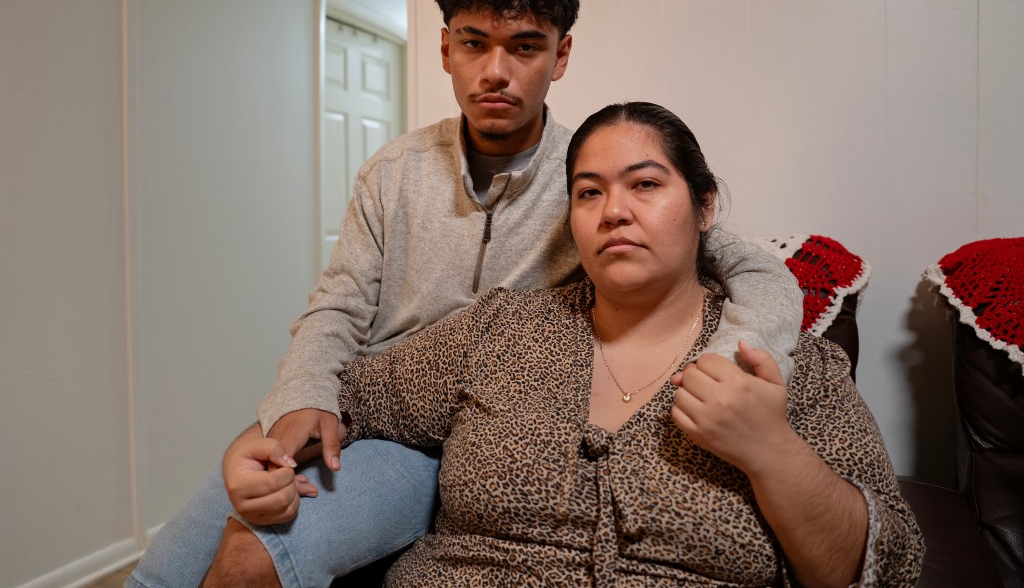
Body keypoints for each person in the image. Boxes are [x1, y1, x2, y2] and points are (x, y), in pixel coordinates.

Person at [128, 0, 803, 588]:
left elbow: (755, 266)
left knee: (256, 552)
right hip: (369, 404)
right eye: (474, 43)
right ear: (445, 46)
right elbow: (337, 304)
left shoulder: (589, 182)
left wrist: (731, 356)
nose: (496, 73)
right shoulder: (394, 172)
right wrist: (302, 397)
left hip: (454, 440)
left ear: (561, 55)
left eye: (526, 47)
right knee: (164, 570)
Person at [254, 101, 921, 586]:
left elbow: (883, 567)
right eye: (588, 192)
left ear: (705, 206)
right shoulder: (500, 331)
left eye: (647, 184)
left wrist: (771, 451)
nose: (614, 211)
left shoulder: (789, 368)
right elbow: (344, 398)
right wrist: (253, 455)